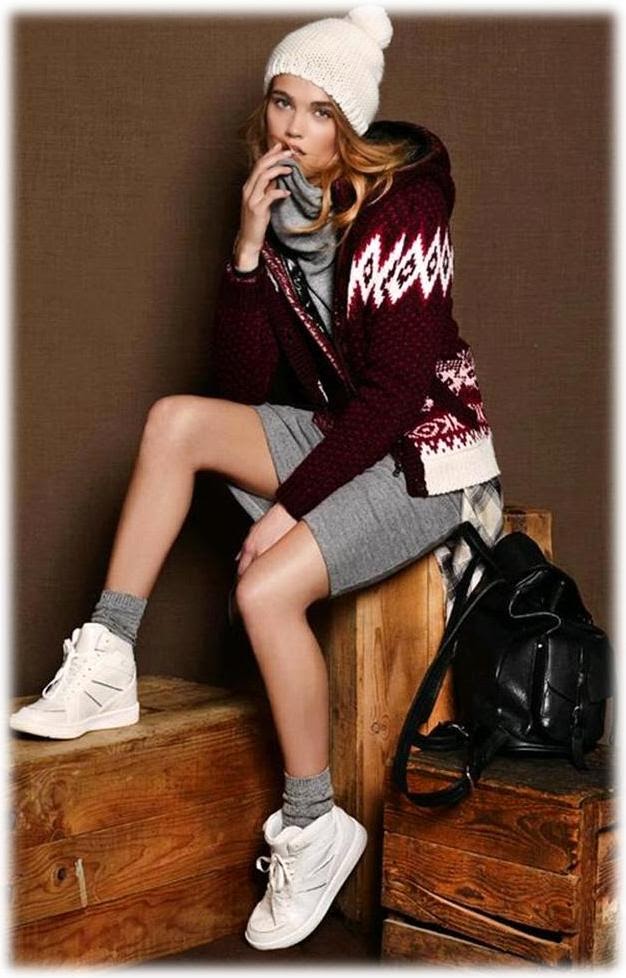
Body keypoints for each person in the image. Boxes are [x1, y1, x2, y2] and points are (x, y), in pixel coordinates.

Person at [10, 4, 504, 951]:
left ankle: (316, 827)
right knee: (177, 422)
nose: (294, 126)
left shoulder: (404, 212)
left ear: (349, 123)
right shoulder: (276, 206)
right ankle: (108, 658)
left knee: (264, 589)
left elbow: (396, 395)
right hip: (341, 434)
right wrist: (245, 251)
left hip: (426, 456)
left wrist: (286, 511)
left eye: (319, 111)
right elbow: (241, 389)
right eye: (283, 101)